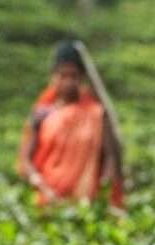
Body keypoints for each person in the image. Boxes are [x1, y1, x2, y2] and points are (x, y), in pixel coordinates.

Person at [18, 40, 125, 210]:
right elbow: (25, 160)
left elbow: (111, 156)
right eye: (62, 76)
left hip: (87, 205)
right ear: (53, 77)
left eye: (73, 76)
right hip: (46, 201)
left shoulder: (96, 113)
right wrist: (40, 184)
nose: (68, 82)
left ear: (81, 78)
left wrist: (104, 189)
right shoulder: (41, 114)